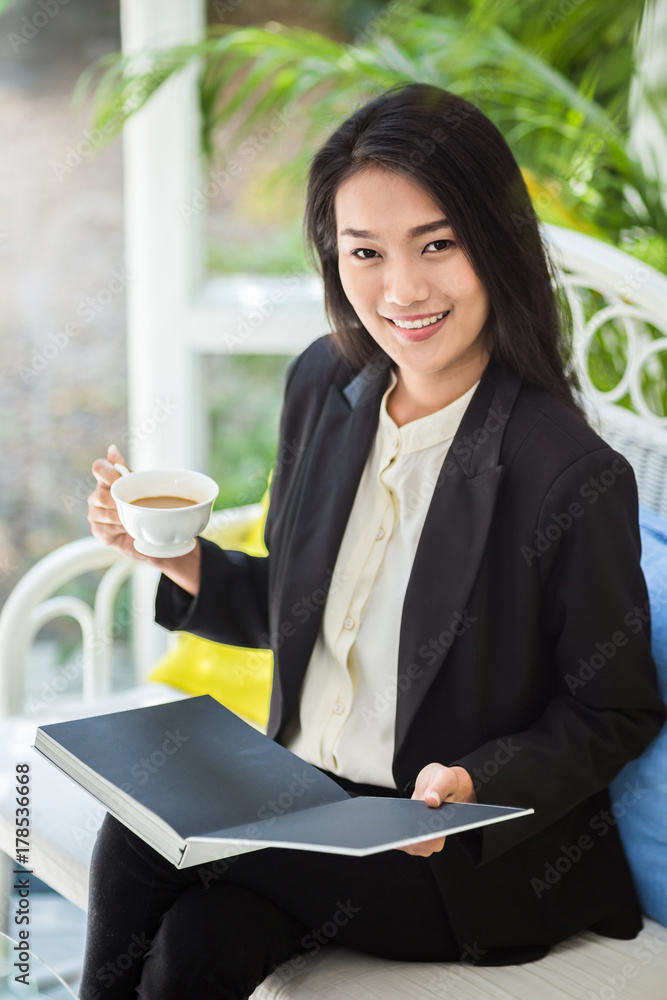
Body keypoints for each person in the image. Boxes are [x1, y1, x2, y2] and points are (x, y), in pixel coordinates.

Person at [80, 82, 666, 999]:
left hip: (448, 852)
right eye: (365, 252)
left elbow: (617, 713)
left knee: (138, 833)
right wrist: (177, 559)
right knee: (195, 949)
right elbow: (300, 609)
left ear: (496, 243)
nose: (402, 291)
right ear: (333, 257)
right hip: (308, 806)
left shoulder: (567, 473)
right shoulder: (325, 383)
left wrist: (476, 778)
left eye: (437, 243)